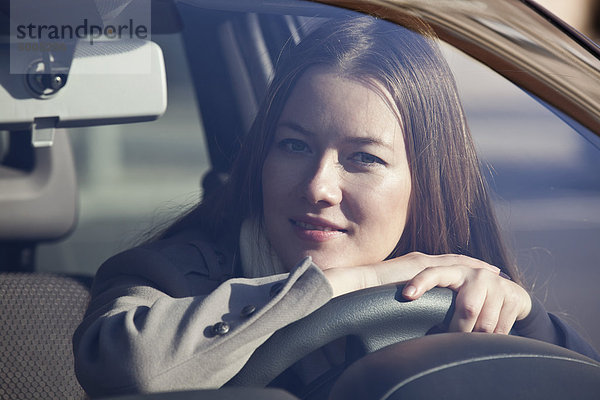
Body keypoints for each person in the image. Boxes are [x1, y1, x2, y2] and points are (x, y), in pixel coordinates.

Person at [73, 15, 599, 397]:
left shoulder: (455, 293)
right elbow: (133, 370)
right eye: (295, 146)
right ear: (262, 156)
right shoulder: (164, 278)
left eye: (363, 158)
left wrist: (524, 322)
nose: (319, 186)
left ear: (426, 181)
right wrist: (355, 283)